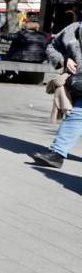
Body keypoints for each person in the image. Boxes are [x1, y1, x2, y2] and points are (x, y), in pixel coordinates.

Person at [31, 16, 81, 169]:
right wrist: (64, 60)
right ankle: (57, 153)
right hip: (79, 81)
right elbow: (52, 47)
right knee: (76, 115)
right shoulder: (73, 29)